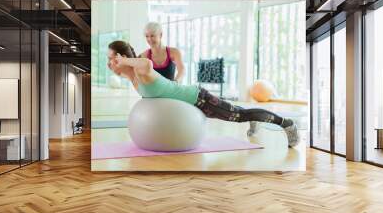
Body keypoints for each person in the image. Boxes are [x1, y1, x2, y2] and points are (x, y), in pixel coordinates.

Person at [107, 40, 299, 147]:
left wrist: (124, 61)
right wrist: (123, 63)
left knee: (239, 115)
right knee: (240, 112)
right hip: (190, 102)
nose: (109, 64)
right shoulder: (132, 78)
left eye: (111, 59)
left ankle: (287, 124)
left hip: (199, 99)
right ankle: (253, 117)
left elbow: (146, 63)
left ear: (122, 58)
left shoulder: (141, 70)